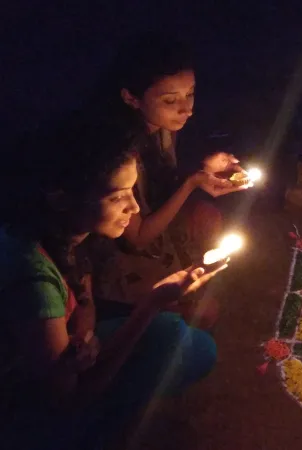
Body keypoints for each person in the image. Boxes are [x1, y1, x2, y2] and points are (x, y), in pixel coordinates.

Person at [0, 116, 226, 450]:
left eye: (132, 191)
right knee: (177, 345)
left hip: (63, 357)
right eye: (117, 197)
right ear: (61, 198)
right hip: (27, 407)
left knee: (190, 341)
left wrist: (83, 337)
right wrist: (151, 303)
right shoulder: (35, 283)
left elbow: (85, 302)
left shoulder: (70, 232)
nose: (133, 207)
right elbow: (69, 398)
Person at [86, 32, 248, 322]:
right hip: (111, 251)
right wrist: (191, 183)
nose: (187, 109)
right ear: (131, 98)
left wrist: (206, 166)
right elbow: (137, 238)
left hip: (150, 229)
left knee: (207, 216)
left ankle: (184, 296)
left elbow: (164, 180)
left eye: (190, 94)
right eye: (170, 100)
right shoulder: (119, 152)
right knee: (203, 313)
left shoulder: (160, 126)